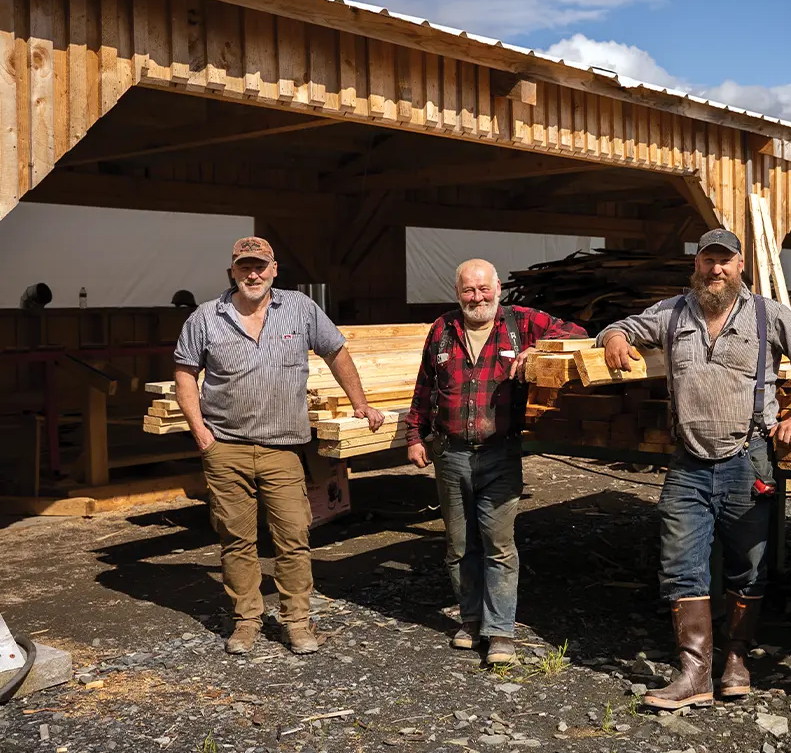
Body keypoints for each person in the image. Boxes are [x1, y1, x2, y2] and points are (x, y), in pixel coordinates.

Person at [598, 228, 791, 710]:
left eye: (725, 261)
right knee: (680, 562)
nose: (716, 269)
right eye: (708, 260)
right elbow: (617, 326)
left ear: (740, 265)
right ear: (697, 264)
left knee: (749, 564)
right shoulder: (672, 312)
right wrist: (616, 336)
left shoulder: (768, 315)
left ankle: (737, 660)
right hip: (688, 461)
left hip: (748, 459)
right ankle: (694, 672)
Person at [174, 237, 384, 655]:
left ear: (274, 269)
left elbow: (337, 351)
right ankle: (247, 621)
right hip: (226, 448)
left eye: (260, 266)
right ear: (231, 271)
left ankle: (297, 622)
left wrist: (360, 402)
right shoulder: (205, 317)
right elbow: (184, 373)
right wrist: (201, 434)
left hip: (283, 449)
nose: (252, 274)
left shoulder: (301, 309)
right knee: (236, 540)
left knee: (293, 536)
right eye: (243, 267)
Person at [405, 259, 587, 665]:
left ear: (498, 288)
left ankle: (500, 631)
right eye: (469, 290)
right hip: (450, 453)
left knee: (498, 545)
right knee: (457, 545)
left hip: (499, 453)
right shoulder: (442, 329)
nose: (477, 297)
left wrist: (536, 349)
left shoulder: (519, 323)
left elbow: (577, 333)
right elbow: (424, 387)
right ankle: (471, 621)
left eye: (484, 289)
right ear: (458, 292)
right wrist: (414, 435)